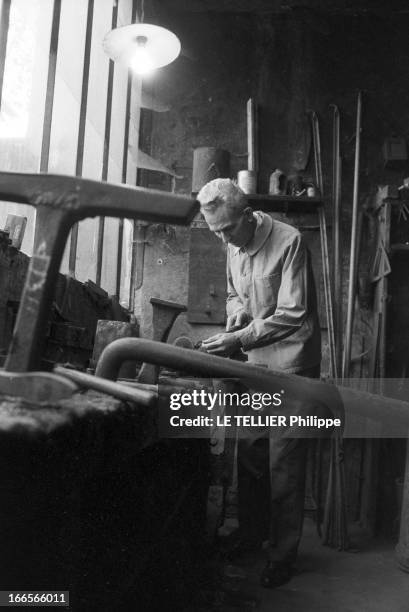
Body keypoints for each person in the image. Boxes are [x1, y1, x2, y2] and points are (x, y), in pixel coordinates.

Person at [197, 178, 322, 588]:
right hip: (253, 368)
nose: (223, 238)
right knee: (250, 456)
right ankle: (251, 536)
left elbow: (293, 313)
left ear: (248, 217)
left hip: (291, 369)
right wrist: (236, 313)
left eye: (227, 229)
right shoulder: (230, 238)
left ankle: (282, 555)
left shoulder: (290, 242)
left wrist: (239, 338)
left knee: (283, 465)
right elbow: (235, 293)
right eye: (215, 231)